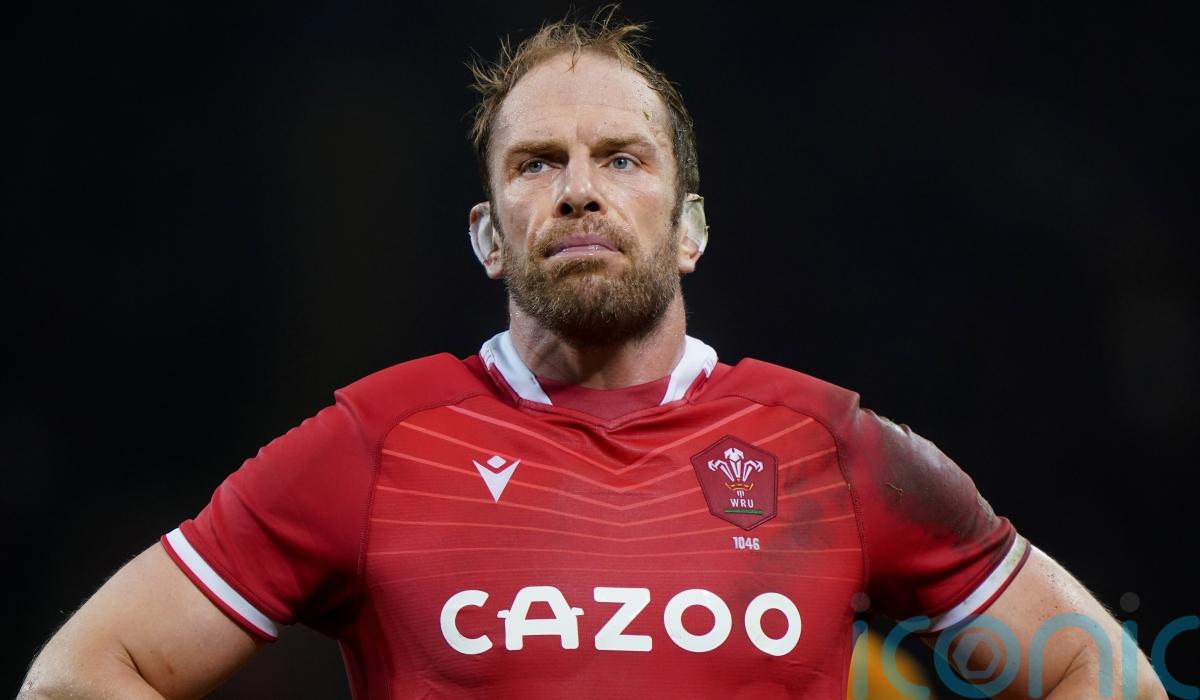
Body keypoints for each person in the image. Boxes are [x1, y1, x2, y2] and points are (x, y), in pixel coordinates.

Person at [20, 14, 1166, 700]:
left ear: (692, 226)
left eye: (622, 158)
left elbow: (1105, 674)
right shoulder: (374, 443)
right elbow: (81, 673)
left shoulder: (835, 448)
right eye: (536, 163)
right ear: (487, 236)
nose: (578, 188)